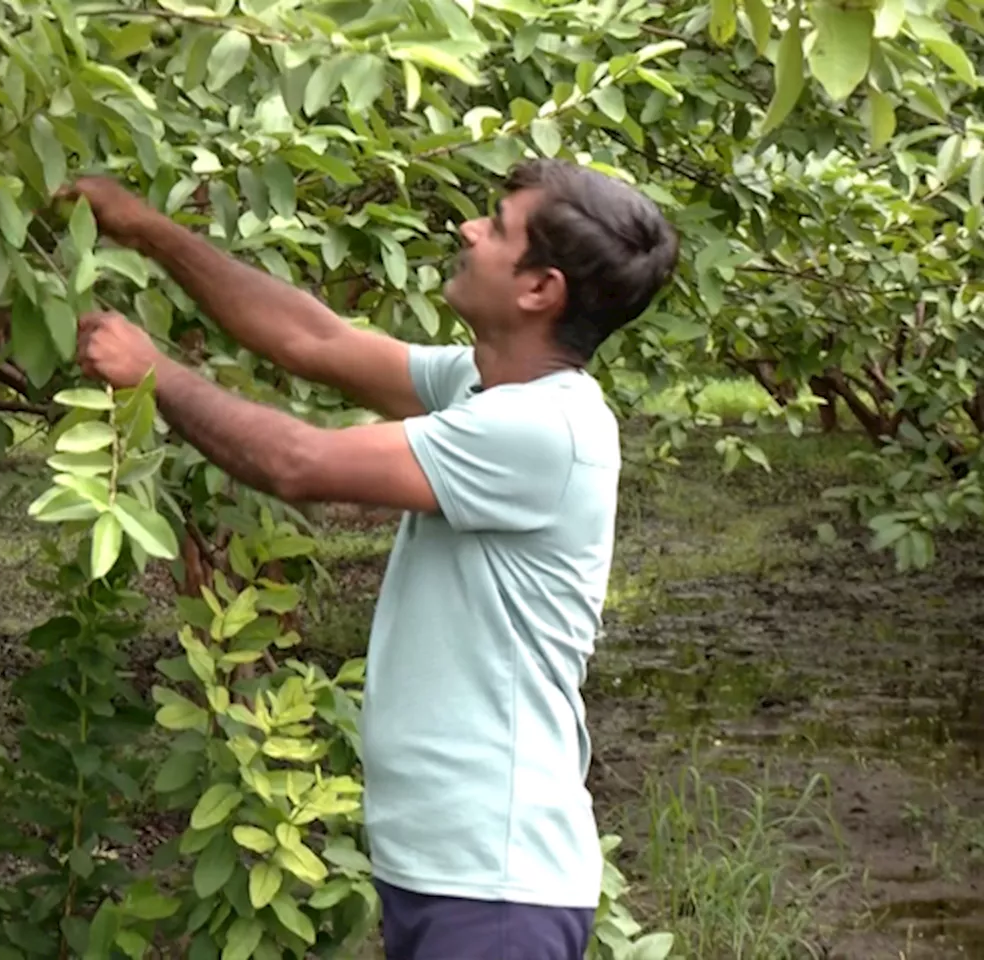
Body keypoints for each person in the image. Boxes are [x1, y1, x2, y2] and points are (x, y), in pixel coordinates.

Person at [57, 158, 679, 960]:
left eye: (495, 224)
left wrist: (155, 375)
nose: (467, 230)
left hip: (493, 887)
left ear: (539, 289)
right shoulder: (484, 391)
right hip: (450, 876)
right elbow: (313, 337)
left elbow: (300, 464)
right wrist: (145, 227)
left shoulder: (543, 432)